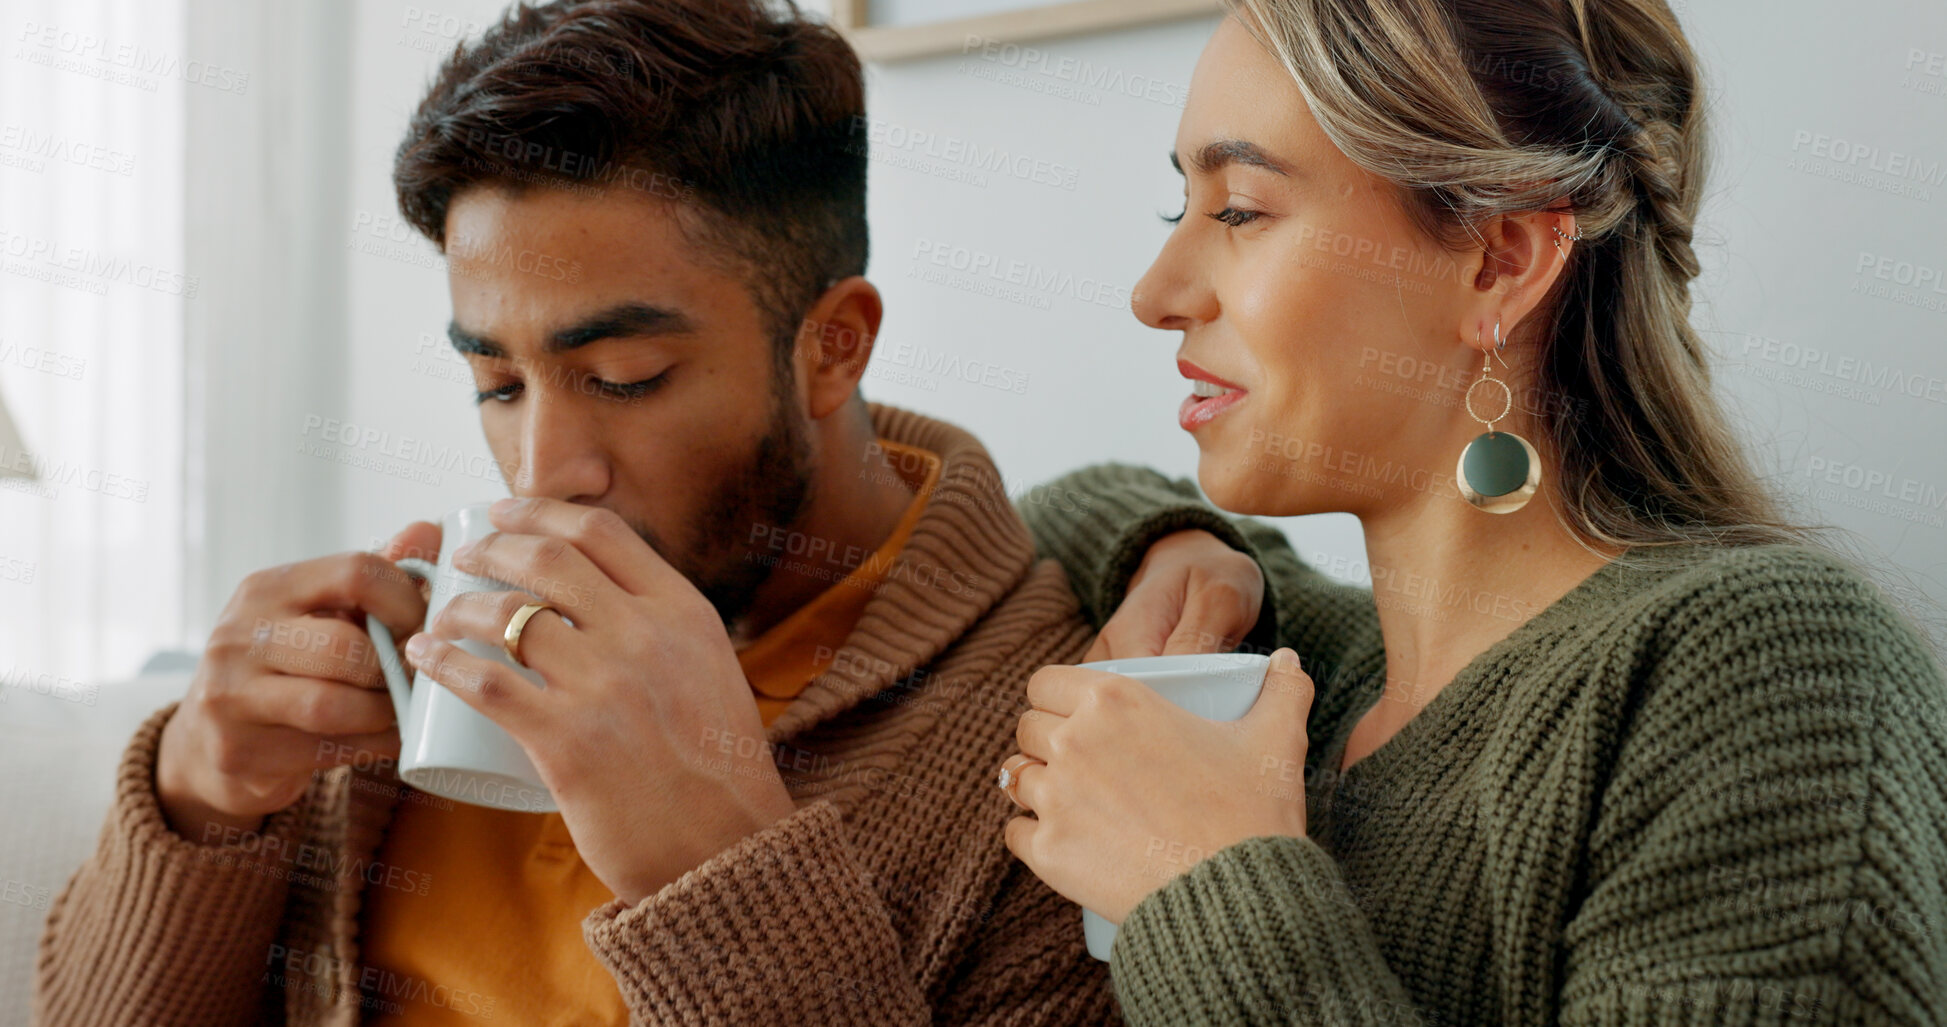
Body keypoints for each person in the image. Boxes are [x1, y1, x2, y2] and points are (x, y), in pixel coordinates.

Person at [34, 2, 1123, 1023]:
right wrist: (199, 797)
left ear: (833, 344)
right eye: (497, 386)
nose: (544, 474)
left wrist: (722, 882)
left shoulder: (1062, 749)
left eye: (624, 375)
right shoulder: (422, 663)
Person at [999, 1, 1947, 1024]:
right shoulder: (1311, 677)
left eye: (1239, 210)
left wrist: (1206, 884)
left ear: (1499, 261)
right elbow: (1061, 506)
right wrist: (1187, 549)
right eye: (1175, 209)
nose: (1154, 290)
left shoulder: (1762, 672)